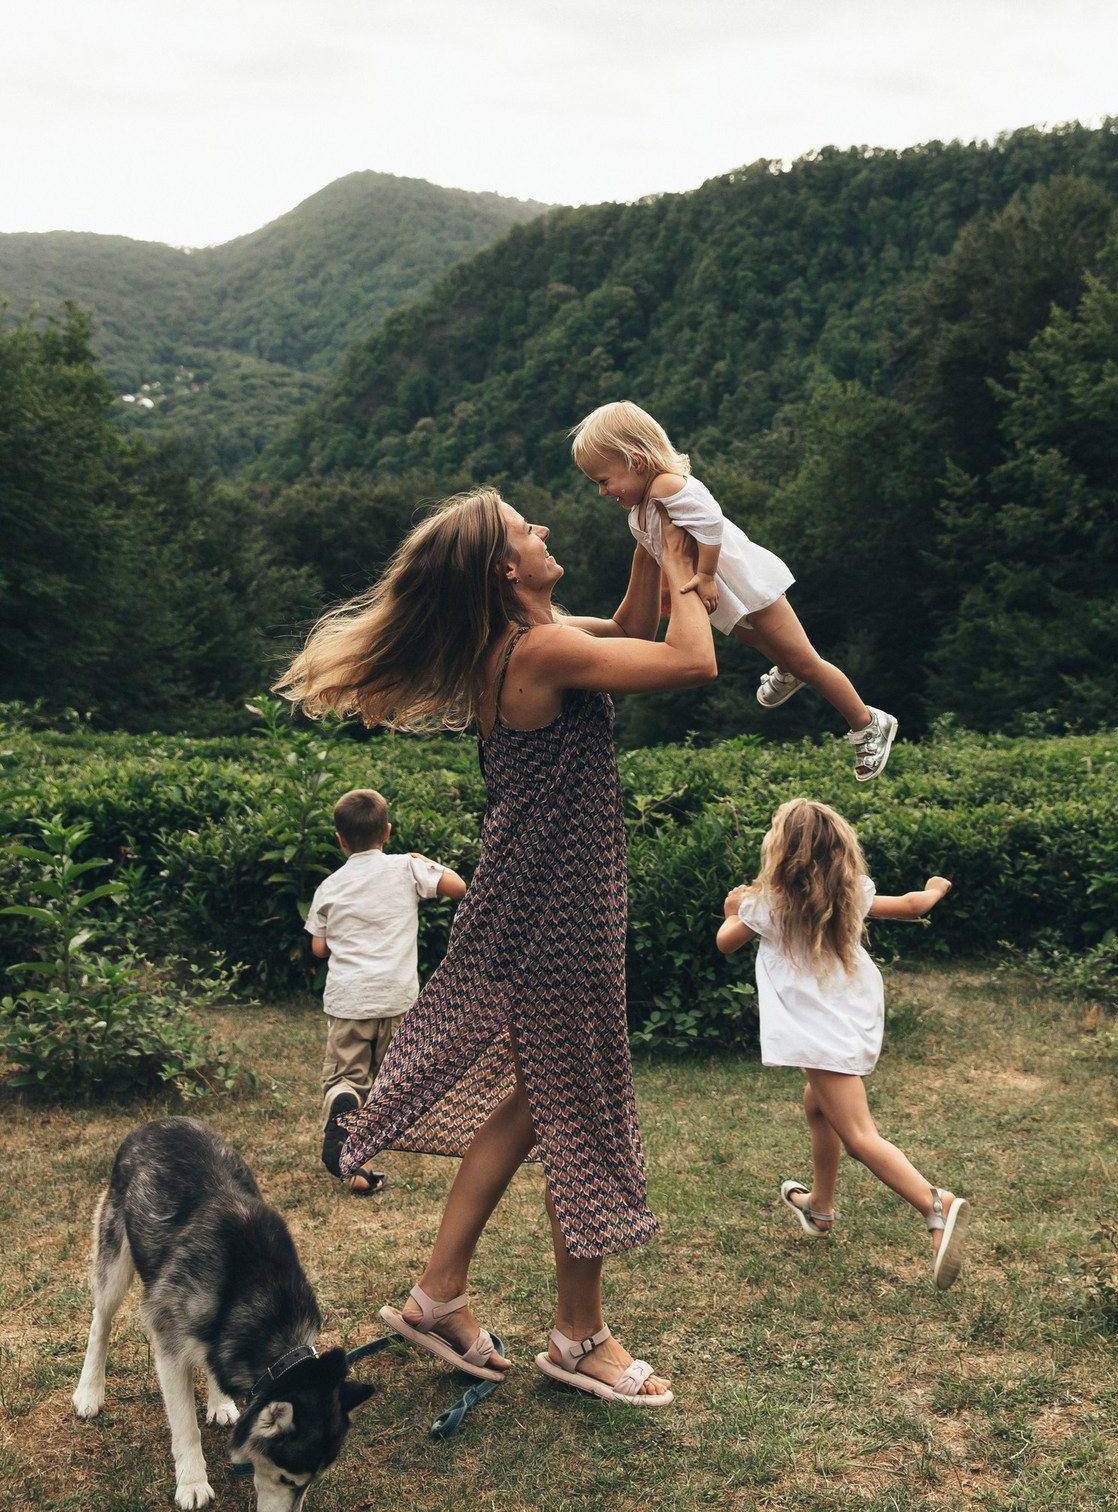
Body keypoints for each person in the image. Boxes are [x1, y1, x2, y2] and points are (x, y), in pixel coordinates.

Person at [275, 487, 716, 1404]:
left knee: (533, 1104)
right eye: (527, 529)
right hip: (557, 913)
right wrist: (686, 562)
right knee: (582, 1110)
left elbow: (631, 627)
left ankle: (438, 1297)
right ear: (505, 570)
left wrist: (645, 535)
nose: (545, 531)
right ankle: (579, 1336)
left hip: (545, 901)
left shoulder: (522, 645)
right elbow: (686, 661)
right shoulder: (540, 650)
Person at [716, 797, 970, 1287]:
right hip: (850, 1018)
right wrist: (935, 888)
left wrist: (730, 910)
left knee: (859, 1136)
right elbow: (914, 906)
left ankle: (935, 1203)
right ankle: (820, 1207)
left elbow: (726, 941)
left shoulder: (765, 904)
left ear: (780, 851)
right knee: (817, 1105)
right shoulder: (853, 893)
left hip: (816, 1033)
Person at [570, 399, 896, 781]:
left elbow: (709, 523)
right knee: (754, 640)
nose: (602, 492)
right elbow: (664, 552)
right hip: (727, 595)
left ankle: (867, 721)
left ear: (636, 461)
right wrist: (665, 594)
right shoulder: (639, 512)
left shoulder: (667, 486)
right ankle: (787, 669)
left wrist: (705, 576)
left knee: (808, 660)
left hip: (747, 583)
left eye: (604, 481)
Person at [306, 786, 467, 1197]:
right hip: (397, 998)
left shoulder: (329, 887)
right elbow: (459, 887)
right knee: (383, 1083)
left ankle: (350, 1141)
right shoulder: (405, 868)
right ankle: (362, 1165)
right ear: (388, 832)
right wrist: (423, 862)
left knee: (346, 1079)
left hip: (349, 1001)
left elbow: (319, 948)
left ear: (340, 839)